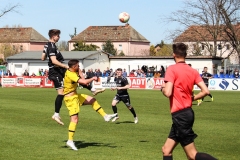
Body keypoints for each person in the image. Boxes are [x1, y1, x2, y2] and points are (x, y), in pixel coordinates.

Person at [160, 43, 217, 160]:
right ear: (185, 55)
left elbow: (168, 93)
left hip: (180, 115)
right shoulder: (193, 71)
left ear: (173, 55)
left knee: (192, 155)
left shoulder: (172, 69)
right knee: (166, 150)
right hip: (187, 113)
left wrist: (162, 89)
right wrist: (192, 99)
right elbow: (205, 91)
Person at [41, 29, 104, 126]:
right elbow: (53, 61)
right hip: (56, 72)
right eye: (58, 35)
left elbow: (42, 57)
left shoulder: (47, 45)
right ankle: (56, 114)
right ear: (53, 36)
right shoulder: (51, 46)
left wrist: (47, 56)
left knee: (76, 73)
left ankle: (92, 89)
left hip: (59, 70)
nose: (59, 37)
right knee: (61, 92)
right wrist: (64, 66)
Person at [63, 59, 117, 150]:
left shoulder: (72, 70)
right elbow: (84, 82)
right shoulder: (71, 74)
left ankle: (105, 116)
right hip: (70, 99)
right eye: (78, 66)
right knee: (74, 119)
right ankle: (70, 140)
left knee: (92, 100)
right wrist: (93, 78)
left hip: (75, 96)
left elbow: (82, 77)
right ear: (74, 67)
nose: (79, 67)